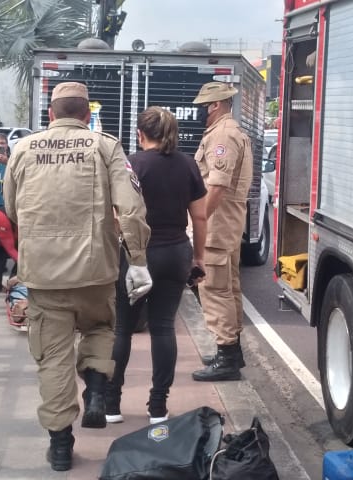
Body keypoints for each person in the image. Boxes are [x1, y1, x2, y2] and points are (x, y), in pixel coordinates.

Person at [3, 81, 152, 472]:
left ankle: (60, 445)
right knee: (101, 328)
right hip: (95, 271)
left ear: (50, 115)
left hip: (43, 276)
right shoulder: (105, 146)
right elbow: (131, 208)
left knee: (52, 359)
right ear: (87, 115)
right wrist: (137, 258)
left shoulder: (22, 149)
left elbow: (11, 208)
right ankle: (98, 392)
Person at [105, 107, 208, 424]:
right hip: (176, 251)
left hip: (137, 255)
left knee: (122, 327)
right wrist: (198, 257)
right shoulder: (188, 164)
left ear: (140, 134)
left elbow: (115, 215)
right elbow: (200, 216)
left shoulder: (131, 164)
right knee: (163, 327)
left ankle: (112, 405)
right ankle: (158, 407)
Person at [189, 82, 254, 382]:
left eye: (204, 107)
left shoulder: (223, 135)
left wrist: (199, 219)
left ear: (214, 105)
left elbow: (217, 184)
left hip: (216, 224)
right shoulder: (229, 132)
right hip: (226, 222)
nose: (202, 113)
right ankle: (229, 352)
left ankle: (227, 357)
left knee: (214, 289)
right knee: (228, 288)